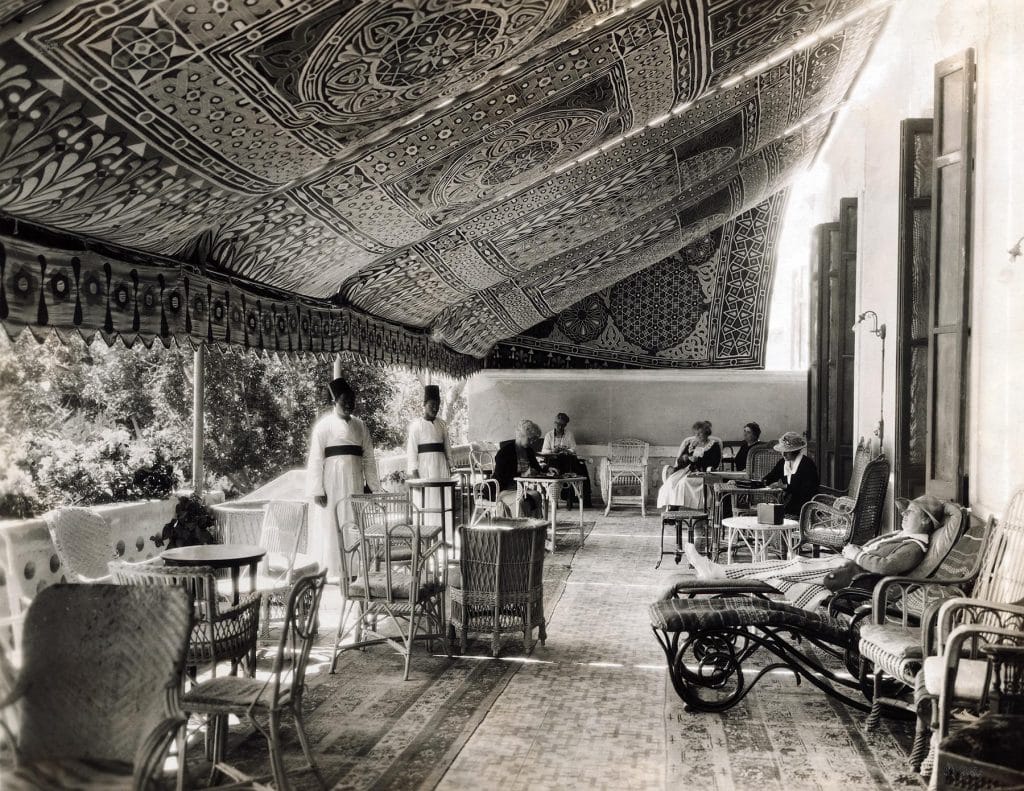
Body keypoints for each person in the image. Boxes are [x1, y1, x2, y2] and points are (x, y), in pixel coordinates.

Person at [684, 493, 947, 609]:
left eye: (909, 512)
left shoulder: (914, 546)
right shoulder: (903, 535)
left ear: (925, 521)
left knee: (788, 568)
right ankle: (720, 572)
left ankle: (719, 573)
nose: (903, 515)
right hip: (845, 564)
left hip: (852, 575)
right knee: (786, 565)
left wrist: (857, 554)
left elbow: (886, 567)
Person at [306, 377, 379, 578]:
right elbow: (315, 459)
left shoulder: (360, 426)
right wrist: (317, 490)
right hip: (332, 484)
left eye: (351, 401)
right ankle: (332, 570)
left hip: (355, 481)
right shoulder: (324, 426)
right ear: (334, 402)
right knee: (333, 523)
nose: (348, 405)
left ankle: (354, 569)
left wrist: (371, 485)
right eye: (343, 401)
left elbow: (369, 457)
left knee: (353, 523)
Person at [405, 384, 452, 531]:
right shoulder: (416, 426)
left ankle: (445, 535)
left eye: (437, 405)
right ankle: (426, 536)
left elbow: (448, 448)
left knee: (442, 501)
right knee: (426, 503)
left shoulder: (442, 424)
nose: (435, 408)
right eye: (431, 405)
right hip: (425, 470)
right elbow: (412, 453)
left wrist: (450, 466)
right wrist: (416, 476)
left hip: (441, 468)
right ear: (424, 405)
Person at [656, 420, 722, 510]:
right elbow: (680, 461)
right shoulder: (692, 445)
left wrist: (698, 460)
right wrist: (684, 458)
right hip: (687, 471)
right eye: (696, 434)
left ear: (706, 433)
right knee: (671, 482)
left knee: (684, 482)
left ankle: (678, 508)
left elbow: (715, 463)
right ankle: (672, 507)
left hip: (703, 473)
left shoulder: (714, 446)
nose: (697, 436)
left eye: (700, 433)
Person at [493, 419, 545, 518]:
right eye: (530, 439)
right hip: (502, 490)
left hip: (520, 489)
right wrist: (523, 475)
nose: (532, 442)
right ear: (521, 435)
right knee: (520, 500)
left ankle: (535, 527)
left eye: (534, 440)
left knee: (537, 495)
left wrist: (547, 470)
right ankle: (521, 529)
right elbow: (501, 476)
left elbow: (537, 468)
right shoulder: (505, 452)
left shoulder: (528, 451)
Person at [540, 412, 593, 508]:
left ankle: (578, 498)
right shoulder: (549, 435)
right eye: (557, 424)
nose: (559, 427)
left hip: (566, 461)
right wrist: (553, 450)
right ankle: (555, 497)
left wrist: (565, 450)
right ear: (554, 423)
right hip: (554, 461)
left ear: (565, 425)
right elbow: (544, 450)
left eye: (562, 425)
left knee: (581, 467)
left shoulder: (569, 434)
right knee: (554, 465)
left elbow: (573, 448)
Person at [761, 431, 819, 517]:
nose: (783, 454)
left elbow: (807, 490)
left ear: (795, 451)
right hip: (787, 505)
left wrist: (785, 487)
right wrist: (762, 482)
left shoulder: (807, 464)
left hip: (805, 506)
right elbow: (771, 476)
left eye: (787, 452)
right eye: (782, 451)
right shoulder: (782, 463)